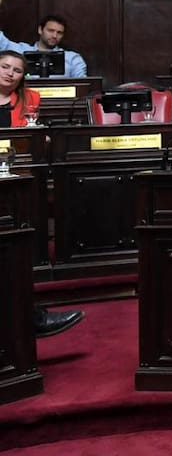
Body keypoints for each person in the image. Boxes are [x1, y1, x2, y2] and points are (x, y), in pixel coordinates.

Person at [0, 49, 86, 336]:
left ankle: (28, 319)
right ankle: (29, 320)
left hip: (16, 177)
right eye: (4, 67)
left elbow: (31, 135)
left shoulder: (29, 98)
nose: (10, 73)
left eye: (17, 70)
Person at [0, 0, 88, 78]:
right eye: (50, 30)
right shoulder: (20, 51)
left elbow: (83, 86)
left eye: (59, 33)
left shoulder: (72, 58)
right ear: (40, 30)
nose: (55, 35)